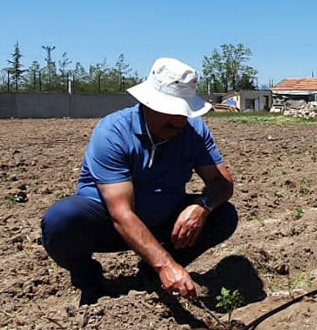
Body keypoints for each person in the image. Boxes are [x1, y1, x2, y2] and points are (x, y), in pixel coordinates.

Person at [40, 57, 237, 305]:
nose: (178, 121)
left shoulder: (193, 132)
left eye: (183, 113)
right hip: (109, 225)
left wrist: (202, 206)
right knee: (61, 219)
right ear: (147, 104)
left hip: (161, 220)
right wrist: (166, 265)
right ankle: (90, 280)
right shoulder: (113, 132)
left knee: (224, 215)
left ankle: (150, 272)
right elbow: (121, 213)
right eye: (171, 111)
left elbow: (223, 184)